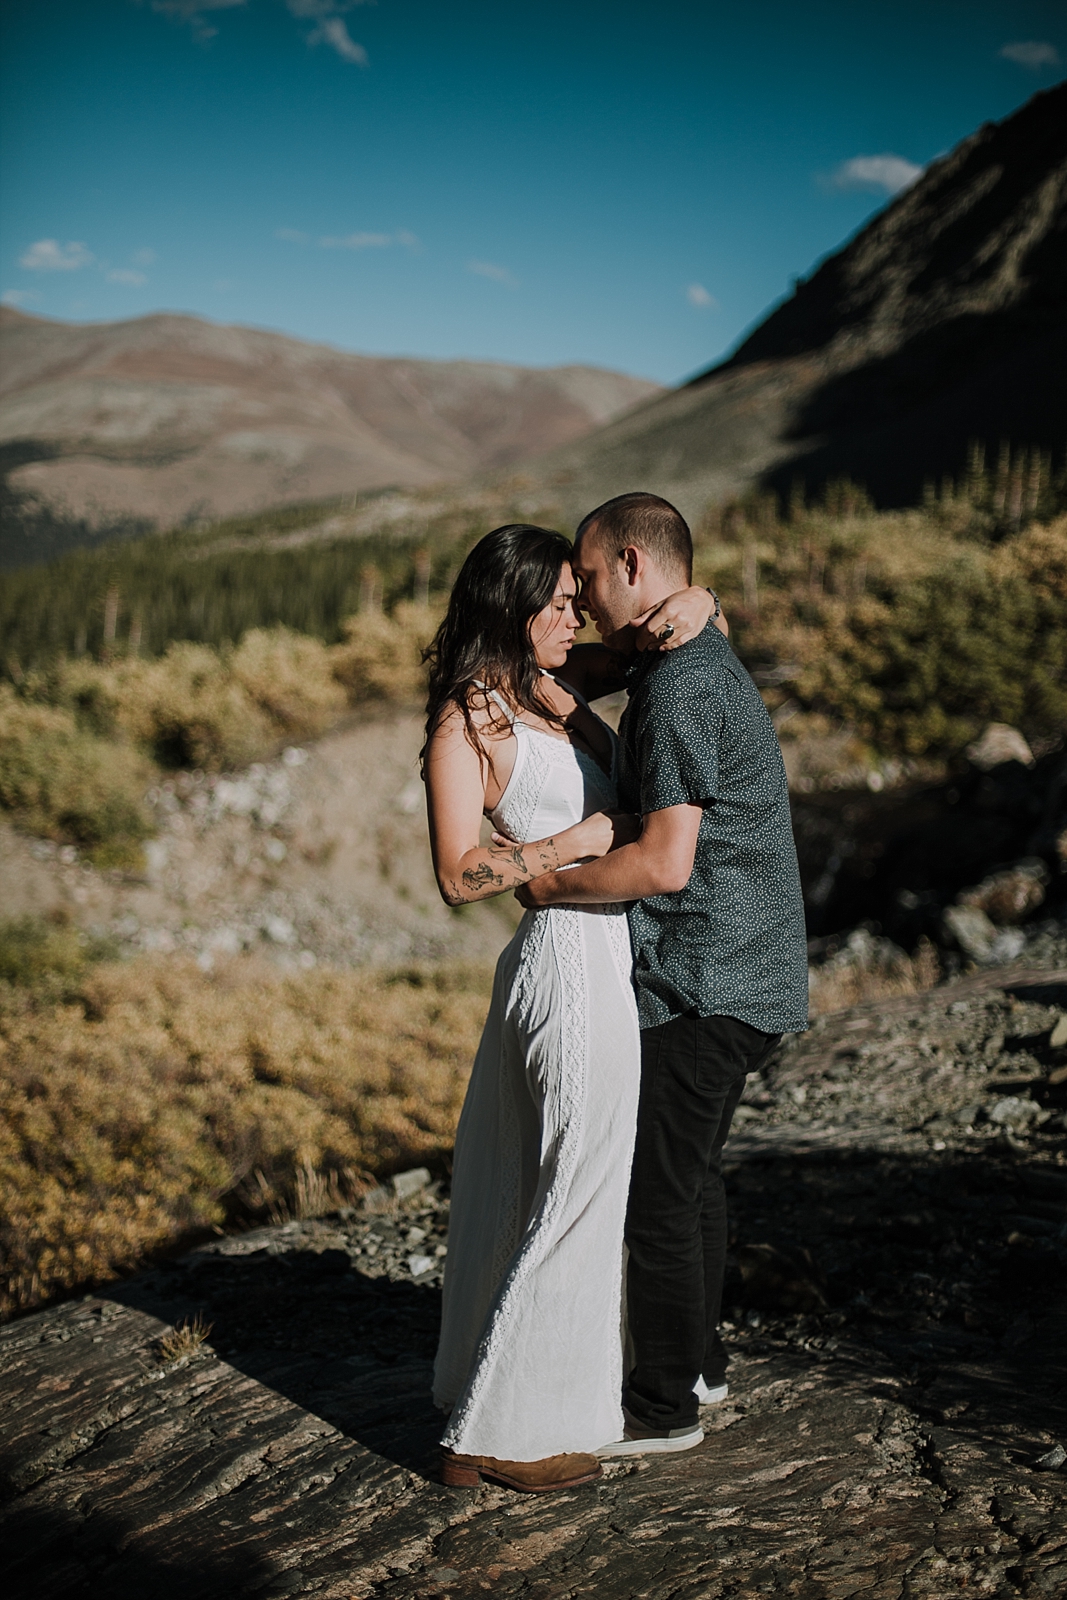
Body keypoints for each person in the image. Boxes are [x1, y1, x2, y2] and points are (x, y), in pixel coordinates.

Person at [422, 522, 721, 1493]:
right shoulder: (468, 719)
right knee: (579, 1184)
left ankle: (484, 1401)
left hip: (602, 953)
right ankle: (506, 1429)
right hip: (562, 959)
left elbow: (643, 639)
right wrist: (573, 840)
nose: (574, 612)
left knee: (528, 1179)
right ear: (512, 608)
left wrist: (699, 605)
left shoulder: (547, 688)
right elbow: (460, 872)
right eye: (556, 600)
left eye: (575, 594)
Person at [519, 492, 808, 1458]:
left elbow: (663, 863)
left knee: (658, 1194)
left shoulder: (680, 689)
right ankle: (701, 1365)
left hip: (706, 978)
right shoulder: (687, 655)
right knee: (695, 1183)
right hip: (749, 970)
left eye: (594, 580)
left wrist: (548, 887)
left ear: (635, 566)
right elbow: (596, 661)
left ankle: (660, 1409)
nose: (589, 602)